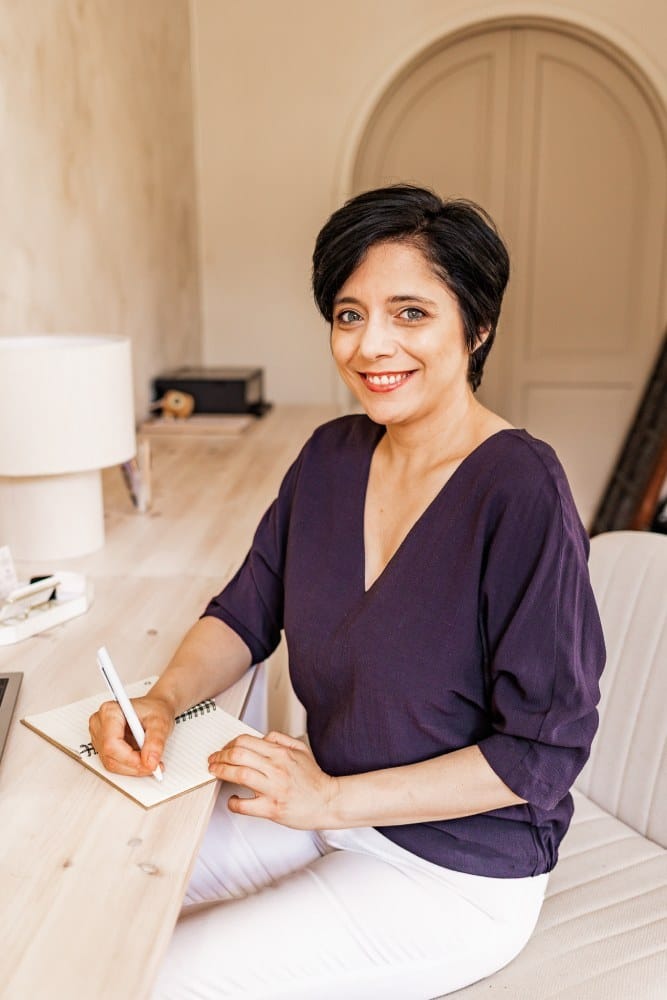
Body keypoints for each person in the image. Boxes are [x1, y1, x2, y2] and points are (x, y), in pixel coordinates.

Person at [90, 185, 606, 999]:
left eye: (409, 313)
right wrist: (160, 702)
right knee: (102, 905)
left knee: (163, 979)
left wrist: (328, 798)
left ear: (476, 328)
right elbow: (244, 611)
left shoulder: (520, 490)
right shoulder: (331, 457)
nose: (371, 345)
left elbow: (538, 754)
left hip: (453, 872)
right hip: (327, 817)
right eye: (347, 313)